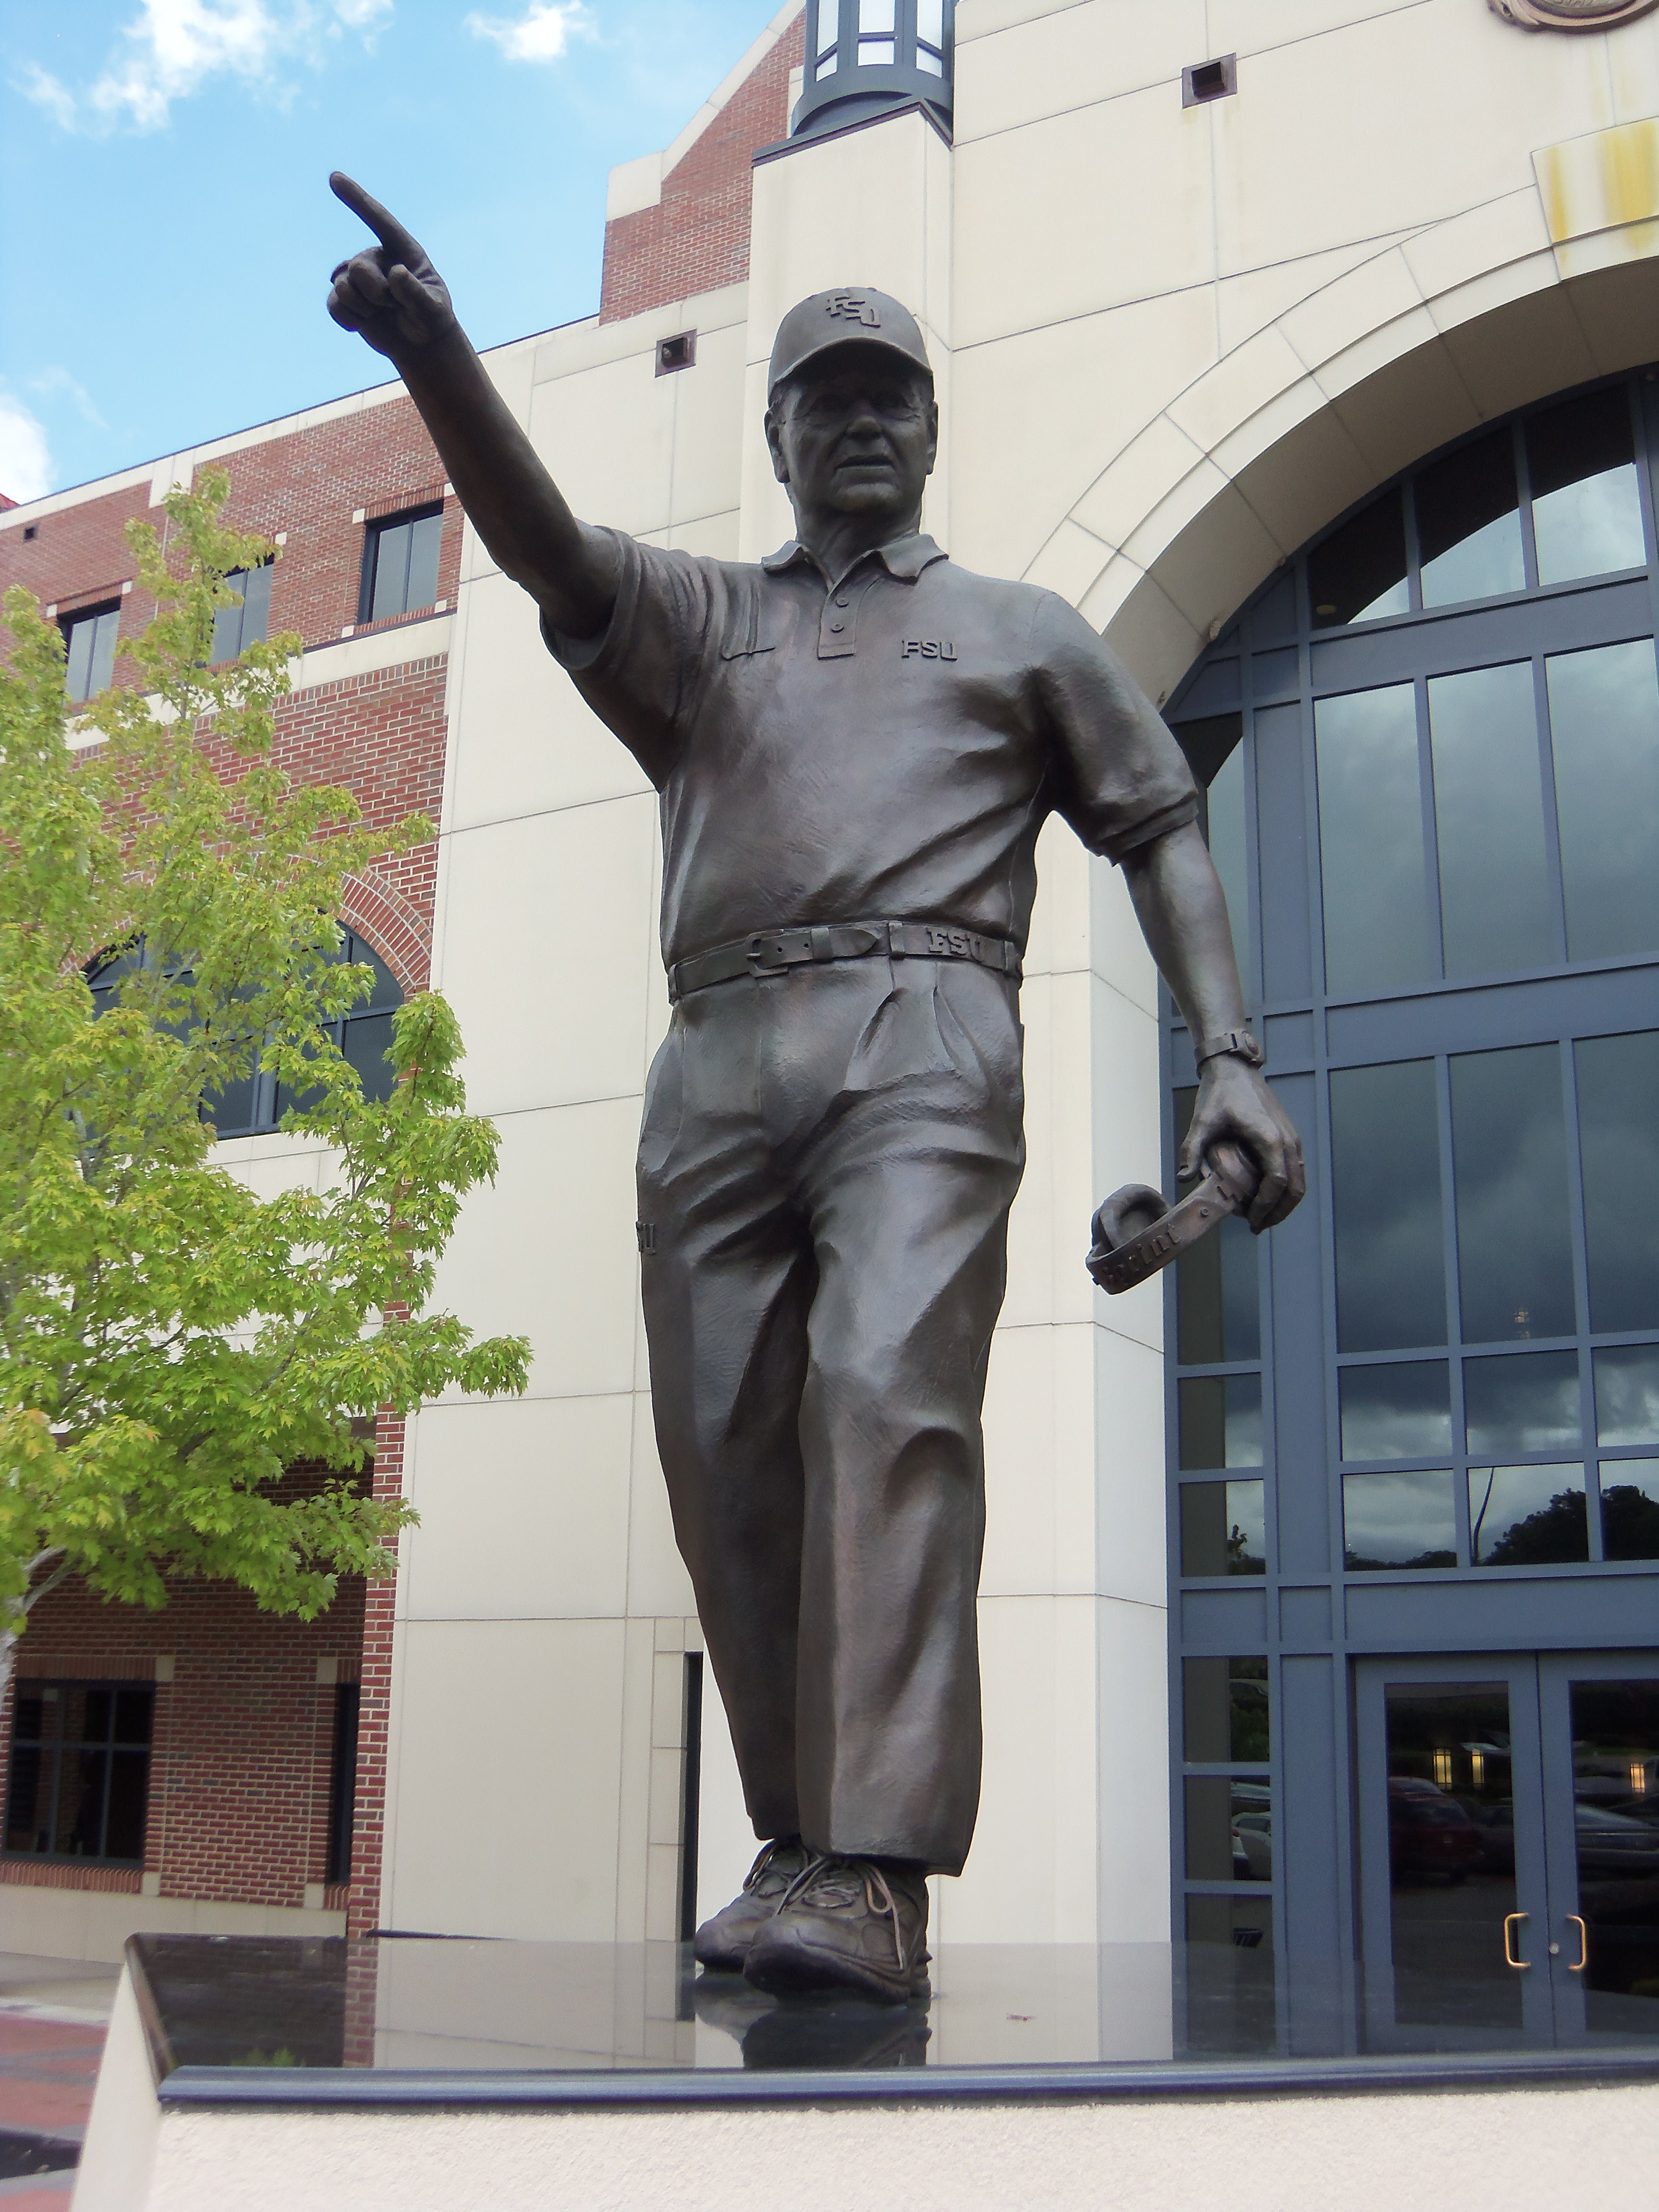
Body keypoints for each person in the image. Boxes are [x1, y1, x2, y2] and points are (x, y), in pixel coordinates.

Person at [326, 174, 1305, 2006]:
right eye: (827, 399)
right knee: (725, 1453)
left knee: (882, 1397)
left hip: (924, 1038)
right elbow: (546, 548)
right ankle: (803, 1844)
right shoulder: (702, 622)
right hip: (715, 1055)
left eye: (892, 398)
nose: (863, 422)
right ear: (775, 435)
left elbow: (1160, 824)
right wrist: (439, 360)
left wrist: (1230, 1059)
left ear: (932, 428)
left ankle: (878, 1870)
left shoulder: (1021, 630)